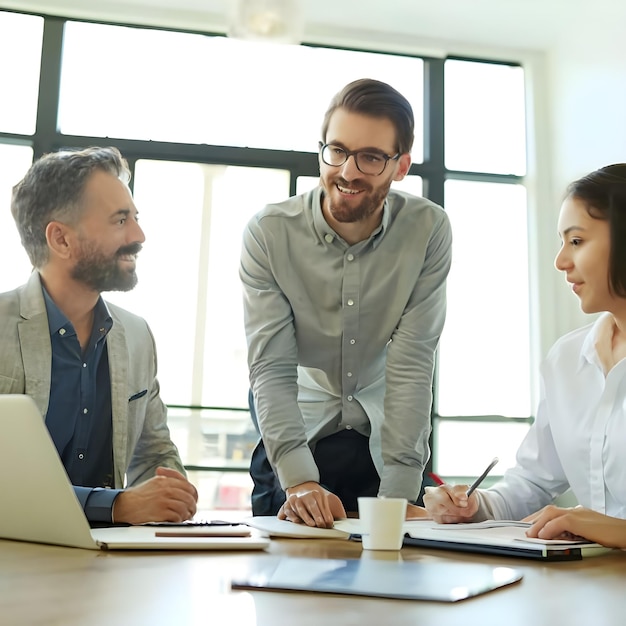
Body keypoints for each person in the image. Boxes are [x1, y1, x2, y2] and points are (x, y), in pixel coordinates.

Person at [240, 78, 452, 528]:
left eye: (371, 157)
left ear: (400, 167)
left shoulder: (428, 230)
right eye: (337, 151)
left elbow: (413, 361)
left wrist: (397, 496)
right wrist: (298, 482)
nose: (348, 171)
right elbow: (271, 367)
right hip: (296, 428)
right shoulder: (269, 234)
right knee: (287, 582)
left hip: (384, 432)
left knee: (394, 584)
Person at [423, 163, 626, 549]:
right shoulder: (568, 359)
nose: (561, 261)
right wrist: (473, 505)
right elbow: (534, 481)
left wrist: (611, 529)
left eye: (577, 241)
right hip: (591, 589)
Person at [1, 146, 198, 525]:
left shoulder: (138, 336)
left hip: (110, 563)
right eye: (120, 220)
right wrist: (115, 505)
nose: (139, 234)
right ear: (60, 239)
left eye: (135, 217)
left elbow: (154, 453)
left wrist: (171, 493)